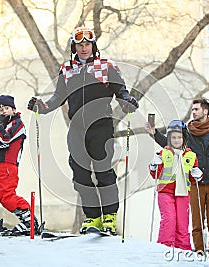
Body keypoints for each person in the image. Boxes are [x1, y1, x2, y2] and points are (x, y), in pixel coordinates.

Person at [27, 26, 138, 235]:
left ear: (93, 45)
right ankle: (93, 217)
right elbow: (58, 97)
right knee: (80, 174)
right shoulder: (67, 69)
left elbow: (121, 91)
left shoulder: (106, 66)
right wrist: (41, 107)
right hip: (76, 128)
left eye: (87, 44)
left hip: (101, 126)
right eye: (80, 44)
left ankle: (109, 216)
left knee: (103, 170)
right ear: (74, 46)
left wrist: (127, 102)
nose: (84, 48)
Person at [145, 98, 209, 259]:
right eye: (193, 109)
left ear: (205, 111)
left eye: (196, 109)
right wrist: (155, 134)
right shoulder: (188, 134)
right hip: (193, 185)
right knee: (195, 224)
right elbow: (171, 144)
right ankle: (195, 255)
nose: (193, 112)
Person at [148, 120, 203, 249]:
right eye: (173, 137)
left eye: (179, 137)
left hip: (183, 193)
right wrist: (153, 165)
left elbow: (193, 176)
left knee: (182, 222)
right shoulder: (164, 153)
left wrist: (198, 175)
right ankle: (164, 247)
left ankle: (183, 250)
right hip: (165, 191)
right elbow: (156, 174)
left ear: (184, 138)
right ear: (169, 138)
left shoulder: (191, 156)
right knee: (169, 219)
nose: (177, 140)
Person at [0, 95, 39, 235]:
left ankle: (29, 220)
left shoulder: (17, 123)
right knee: (2, 196)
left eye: (6, 108)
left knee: (7, 195)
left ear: (13, 109)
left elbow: (5, 140)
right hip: (0, 164)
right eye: (0, 110)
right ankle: (27, 220)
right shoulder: (4, 125)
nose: (4, 112)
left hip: (9, 164)